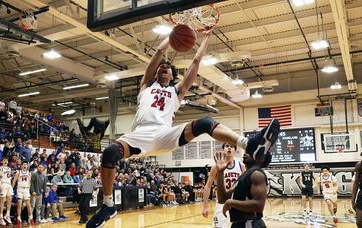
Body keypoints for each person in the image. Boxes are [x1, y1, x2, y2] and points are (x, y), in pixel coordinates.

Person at [86, 26, 280, 228]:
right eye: (161, 67)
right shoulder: (146, 86)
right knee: (108, 153)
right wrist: (171, 36)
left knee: (205, 122)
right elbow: (159, 53)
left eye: (168, 68)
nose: (163, 67)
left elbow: (196, 62)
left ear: (172, 76)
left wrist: (206, 38)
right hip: (140, 134)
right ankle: (108, 205)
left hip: (164, 133)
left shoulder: (177, 92)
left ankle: (248, 143)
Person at [216, 147, 273, 227]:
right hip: (240, 224)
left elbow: (258, 205)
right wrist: (220, 172)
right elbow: (222, 198)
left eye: (251, 151)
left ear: (261, 158)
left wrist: (231, 202)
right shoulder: (244, 176)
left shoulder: (257, 174)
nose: (246, 152)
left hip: (250, 223)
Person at [202, 143, 245, 228]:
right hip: (221, 202)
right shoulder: (215, 167)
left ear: (235, 151)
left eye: (232, 146)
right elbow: (207, 186)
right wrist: (205, 206)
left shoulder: (241, 166)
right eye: (227, 146)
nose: (229, 148)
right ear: (223, 150)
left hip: (236, 203)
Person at [12, 160, 35, 227]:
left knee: (28, 205)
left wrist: (29, 189)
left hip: (26, 189)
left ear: (27, 166)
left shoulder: (29, 173)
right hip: (20, 189)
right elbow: (14, 181)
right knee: (19, 204)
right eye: (23, 164)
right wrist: (11, 189)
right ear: (21, 166)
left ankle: (31, 218)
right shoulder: (18, 172)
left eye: (26, 164)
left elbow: (29, 182)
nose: (25, 165)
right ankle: (19, 219)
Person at [0, 157, 14, 225]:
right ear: (2, 161)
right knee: (2, 201)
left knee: (10, 200)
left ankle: (7, 215)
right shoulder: (0, 168)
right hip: (3, 184)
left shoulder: (9, 168)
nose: (6, 161)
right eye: (4, 160)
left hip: (9, 184)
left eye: (7, 160)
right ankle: (1, 217)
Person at [352, 161, 362, 227]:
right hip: (361, 194)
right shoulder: (359, 165)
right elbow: (356, 183)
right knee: (359, 221)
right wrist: (353, 200)